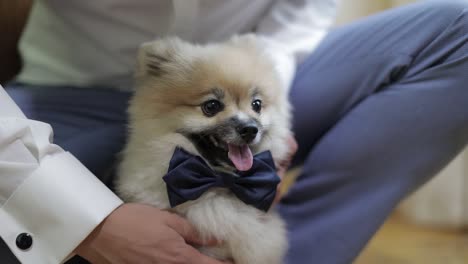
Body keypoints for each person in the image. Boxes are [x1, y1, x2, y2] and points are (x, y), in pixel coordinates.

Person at [1, 0, 467, 263]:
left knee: (459, 31)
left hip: (256, 74)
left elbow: (301, 9)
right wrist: (87, 221)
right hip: (67, 94)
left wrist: (268, 102)